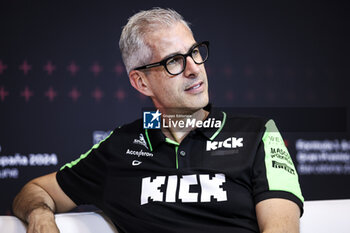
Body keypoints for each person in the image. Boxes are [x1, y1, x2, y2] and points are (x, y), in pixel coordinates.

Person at [12, 7, 303, 233]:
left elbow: (281, 227)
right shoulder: (120, 148)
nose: (194, 69)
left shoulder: (258, 134)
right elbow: (35, 191)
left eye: (195, 52)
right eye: (174, 61)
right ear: (141, 82)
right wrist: (40, 215)